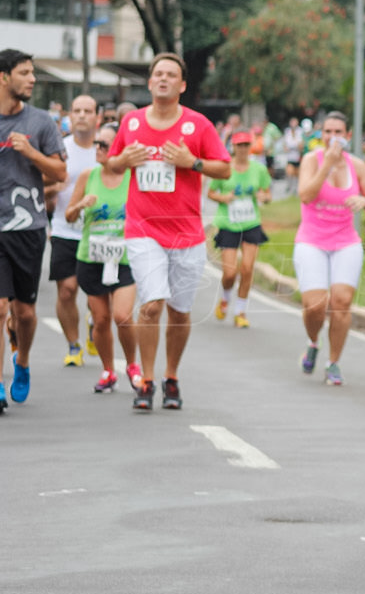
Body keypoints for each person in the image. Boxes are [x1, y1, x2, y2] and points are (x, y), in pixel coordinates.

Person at [106, 52, 231, 411]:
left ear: (182, 85)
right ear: (149, 82)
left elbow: (223, 169)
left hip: (187, 234)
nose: (163, 79)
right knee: (152, 304)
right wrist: (123, 161)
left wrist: (190, 162)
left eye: (170, 75)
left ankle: (171, 375)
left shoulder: (199, 125)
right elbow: (112, 161)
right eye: (157, 74)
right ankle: (146, 380)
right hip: (143, 229)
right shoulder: (130, 123)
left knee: (178, 310)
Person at [0, 49, 69, 412]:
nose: (32, 79)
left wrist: (30, 153)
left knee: (24, 313)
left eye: (32, 73)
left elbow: (60, 174)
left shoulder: (41, 122)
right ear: (3, 77)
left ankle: (22, 362)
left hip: (28, 227)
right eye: (25, 73)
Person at [293, 111, 365, 385]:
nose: (333, 137)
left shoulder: (358, 166)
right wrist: (326, 165)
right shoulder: (310, 160)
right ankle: (313, 342)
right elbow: (305, 195)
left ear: (348, 136)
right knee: (315, 305)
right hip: (312, 241)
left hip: (345, 242)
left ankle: (334, 362)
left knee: (341, 302)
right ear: (321, 134)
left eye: (338, 132)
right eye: (328, 132)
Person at [63, 123, 141, 393]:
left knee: (122, 316)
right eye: (97, 143)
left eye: (105, 145)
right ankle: (108, 370)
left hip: (124, 257)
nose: (98, 149)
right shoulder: (88, 176)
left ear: (118, 149)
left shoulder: (133, 177)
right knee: (101, 319)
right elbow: (68, 215)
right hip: (92, 257)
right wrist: (80, 206)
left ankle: (132, 365)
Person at [48, 94, 101, 367]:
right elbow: (43, 188)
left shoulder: (104, 152)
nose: (81, 115)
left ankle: (96, 324)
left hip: (100, 233)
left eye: (87, 111)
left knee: (97, 296)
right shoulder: (60, 150)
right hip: (64, 229)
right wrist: (52, 190)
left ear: (97, 117)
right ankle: (73, 344)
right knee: (67, 290)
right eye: (77, 111)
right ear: (70, 115)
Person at [208, 131, 273, 328]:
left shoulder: (258, 169)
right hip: (229, 223)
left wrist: (264, 198)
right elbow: (211, 192)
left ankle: (240, 311)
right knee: (229, 273)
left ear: (250, 147)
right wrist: (223, 198)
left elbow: (267, 192)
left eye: (246, 145)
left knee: (247, 268)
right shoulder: (225, 168)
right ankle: (226, 298)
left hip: (251, 222)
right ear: (233, 147)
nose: (243, 149)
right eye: (239, 145)